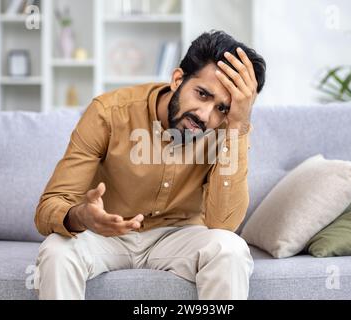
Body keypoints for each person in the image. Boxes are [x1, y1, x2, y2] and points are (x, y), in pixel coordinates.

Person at [34, 30, 266, 300]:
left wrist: (237, 125)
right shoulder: (108, 113)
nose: (205, 116)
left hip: (176, 238)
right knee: (56, 250)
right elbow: (48, 208)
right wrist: (82, 216)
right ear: (178, 79)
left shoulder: (225, 130)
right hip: (106, 236)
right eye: (202, 94)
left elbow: (222, 224)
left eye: (222, 109)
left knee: (231, 249)